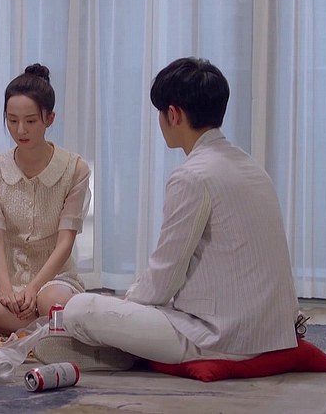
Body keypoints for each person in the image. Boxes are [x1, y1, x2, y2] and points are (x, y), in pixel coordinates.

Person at [35, 57, 300, 370]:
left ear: (173, 115)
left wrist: (125, 305)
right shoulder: (251, 167)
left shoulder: (192, 176)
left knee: (80, 308)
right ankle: (121, 347)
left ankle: (113, 348)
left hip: (220, 338)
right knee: (136, 306)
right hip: (275, 333)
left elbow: (165, 278)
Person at [0, 63, 92, 334]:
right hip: (5, 278)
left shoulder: (74, 169)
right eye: (12, 120)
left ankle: (24, 325)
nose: (20, 130)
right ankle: (44, 329)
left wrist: (33, 289)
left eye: (30, 121)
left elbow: (65, 242)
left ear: (50, 118)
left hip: (54, 279)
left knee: (53, 302)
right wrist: (5, 291)